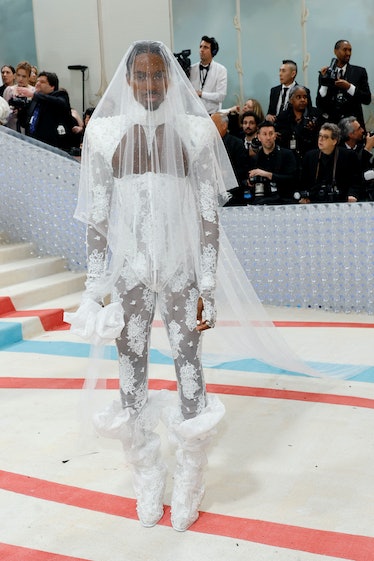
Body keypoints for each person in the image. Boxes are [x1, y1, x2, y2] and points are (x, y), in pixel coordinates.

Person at [65, 40, 237, 532]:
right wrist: (94, 287)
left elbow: (209, 215)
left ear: (171, 78)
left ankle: (190, 474)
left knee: (189, 362)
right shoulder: (104, 134)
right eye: (140, 75)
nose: (149, 84)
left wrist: (207, 283)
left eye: (158, 75)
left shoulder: (195, 131)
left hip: (183, 269)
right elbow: (96, 220)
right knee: (130, 365)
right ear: (127, 78)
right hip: (131, 272)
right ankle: (146, 472)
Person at [299, 122, 362, 203]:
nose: (320, 139)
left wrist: (353, 195)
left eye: (325, 137)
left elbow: (356, 181)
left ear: (334, 141)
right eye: (320, 136)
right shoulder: (310, 156)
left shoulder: (348, 156)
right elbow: (303, 182)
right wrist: (305, 196)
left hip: (341, 200)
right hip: (314, 200)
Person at [316, 40, 371, 130]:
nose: (348, 53)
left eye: (350, 50)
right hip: (333, 126)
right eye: (345, 50)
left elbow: (367, 99)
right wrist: (324, 84)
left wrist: (349, 87)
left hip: (353, 127)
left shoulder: (359, 72)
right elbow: (320, 104)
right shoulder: (326, 73)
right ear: (335, 51)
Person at [276, 85, 320, 182]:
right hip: (290, 158)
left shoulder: (315, 114)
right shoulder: (283, 116)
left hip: (309, 157)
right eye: (298, 97)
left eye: (305, 97)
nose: (303, 100)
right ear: (291, 100)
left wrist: (314, 130)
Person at [19, 71, 74, 150]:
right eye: (37, 81)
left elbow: (60, 102)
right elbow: (25, 122)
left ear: (52, 86)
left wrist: (34, 95)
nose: (37, 83)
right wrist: (20, 109)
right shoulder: (36, 99)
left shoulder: (60, 95)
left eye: (42, 82)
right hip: (33, 142)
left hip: (53, 145)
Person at [247, 120, 297, 204]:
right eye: (264, 134)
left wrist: (268, 175)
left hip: (285, 200)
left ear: (275, 135)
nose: (268, 137)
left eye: (271, 133)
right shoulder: (255, 159)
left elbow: (293, 179)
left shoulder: (287, 154)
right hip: (262, 201)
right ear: (259, 137)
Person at [211, 112, 250, 205]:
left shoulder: (236, 144)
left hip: (233, 193)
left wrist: (226, 173)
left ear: (224, 126)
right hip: (212, 191)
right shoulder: (207, 144)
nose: (210, 127)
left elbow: (243, 169)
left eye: (213, 124)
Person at [338, 116, 374, 200]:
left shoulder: (360, 147)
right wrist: (367, 149)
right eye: (359, 129)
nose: (363, 131)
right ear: (351, 134)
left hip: (365, 193)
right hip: (346, 195)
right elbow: (355, 170)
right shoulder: (339, 151)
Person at [189, 35, 227, 114]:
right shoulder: (191, 69)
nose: (201, 50)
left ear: (213, 51)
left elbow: (221, 96)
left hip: (212, 115)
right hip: (194, 115)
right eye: (200, 47)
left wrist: (202, 94)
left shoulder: (221, 70)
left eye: (205, 47)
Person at [3, 61, 35, 132]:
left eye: (24, 76)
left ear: (29, 77)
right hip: (11, 128)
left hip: (27, 130)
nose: (20, 79)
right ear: (15, 75)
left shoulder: (33, 91)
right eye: (18, 75)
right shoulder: (9, 90)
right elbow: (4, 112)